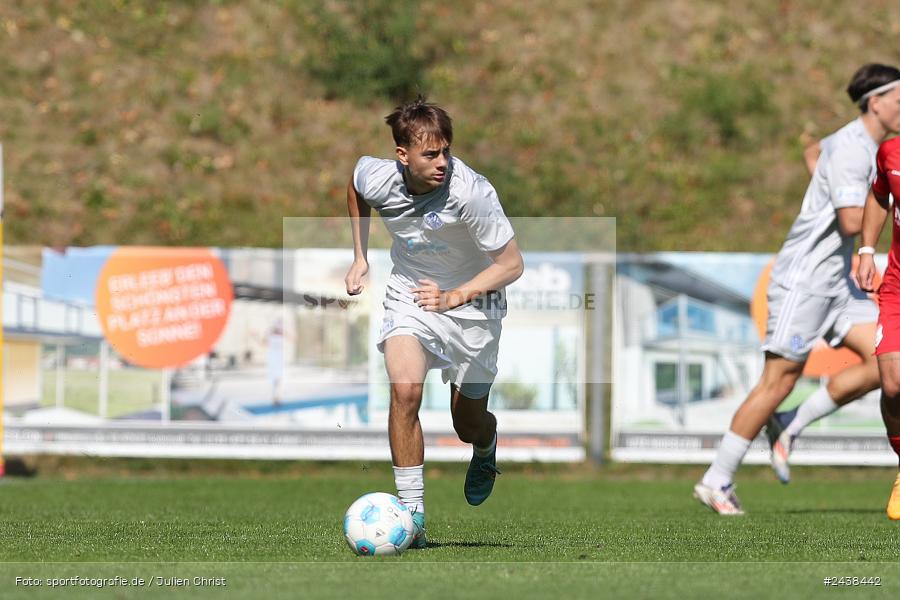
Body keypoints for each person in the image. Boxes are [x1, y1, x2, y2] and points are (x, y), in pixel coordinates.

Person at [695, 64, 900, 515]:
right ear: (875, 103)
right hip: (804, 281)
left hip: (836, 282)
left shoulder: (855, 143)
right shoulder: (854, 150)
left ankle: (790, 423)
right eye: (899, 100)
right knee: (779, 380)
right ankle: (716, 479)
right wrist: (882, 196)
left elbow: (814, 151)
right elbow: (852, 220)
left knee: (886, 361)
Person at [344, 96, 524, 546]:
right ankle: (413, 515)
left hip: (474, 305)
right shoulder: (378, 176)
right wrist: (360, 256)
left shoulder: (471, 192)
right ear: (402, 155)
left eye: (446, 151)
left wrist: (452, 298)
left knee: (467, 423)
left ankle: (486, 444)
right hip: (411, 294)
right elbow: (355, 186)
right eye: (430, 154)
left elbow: (511, 264)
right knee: (405, 391)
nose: (443, 162)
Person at [857, 113, 900, 520]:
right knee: (892, 384)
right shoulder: (891, 152)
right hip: (897, 288)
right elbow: (878, 195)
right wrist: (868, 250)